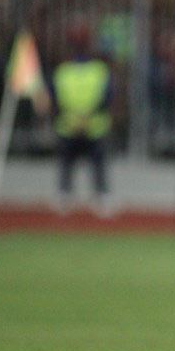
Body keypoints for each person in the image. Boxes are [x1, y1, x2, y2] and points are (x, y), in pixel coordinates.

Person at [52, 28, 113, 215]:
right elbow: (107, 98)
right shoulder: (100, 70)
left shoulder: (62, 72)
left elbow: (55, 100)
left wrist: (74, 117)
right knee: (97, 164)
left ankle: (64, 197)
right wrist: (87, 116)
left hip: (68, 125)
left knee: (67, 163)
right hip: (95, 126)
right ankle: (101, 198)